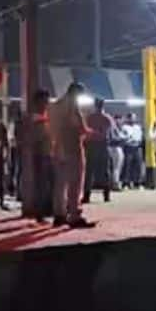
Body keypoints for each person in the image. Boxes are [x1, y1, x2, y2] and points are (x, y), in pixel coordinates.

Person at [47, 83, 93, 227]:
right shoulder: (72, 107)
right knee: (75, 184)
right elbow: (77, 127)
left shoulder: (55, 106)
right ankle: (74, 214)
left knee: (60, 185)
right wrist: (87, 131)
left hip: (57, 150)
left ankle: (59, 214)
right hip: (72, 149)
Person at [24, 90, 53, 222]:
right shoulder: (33, 118)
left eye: (47, 101)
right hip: (40, 154)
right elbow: (33, 138)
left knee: (48, 184)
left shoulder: (47, 117)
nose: (46, 103)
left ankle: (47, 210)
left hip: (49, 153)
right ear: (37, 102)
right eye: (44, 101)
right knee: (41, 185)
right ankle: (40, 213)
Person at [83, 97, 114, 203]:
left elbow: (86, 132)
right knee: (105, 171)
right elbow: (109, 133)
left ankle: (87, 195)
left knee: (89, 171)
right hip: (103, 145)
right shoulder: (107, 118)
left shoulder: (90, 118)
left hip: (92, 145)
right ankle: (106, 195)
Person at [121, 113, 144, 189]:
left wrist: (138, 142)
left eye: (134, 118)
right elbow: (123, 137)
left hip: (137, 147)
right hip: (129, 147)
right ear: (128, 118)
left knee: (138, 166)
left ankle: (137, 183)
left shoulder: (138, 127)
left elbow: (140, 137)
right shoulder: (124, 127)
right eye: (132, 118)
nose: (133, 119)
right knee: (127, 166)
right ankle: (126, 183)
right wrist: (129, 139)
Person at [109, 114, 126, 191]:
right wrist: (122, 138)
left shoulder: (120, 128)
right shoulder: (112, 127)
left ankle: (116, 182)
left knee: (118, 167)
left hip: (119, 147)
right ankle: (115, 184)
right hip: (114, 147)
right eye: (120, 119)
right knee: (116, 167)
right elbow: (112, 138)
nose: (121, 121)